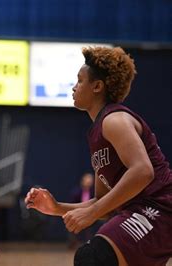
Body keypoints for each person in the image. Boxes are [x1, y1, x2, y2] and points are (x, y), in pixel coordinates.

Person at [24, 47, 172, 266]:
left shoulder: (115, 120)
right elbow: (106, 205)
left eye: (80, 80)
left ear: (97, 86)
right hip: (140, 212)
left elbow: (143, 171)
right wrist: (56, 208)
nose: (74, 87)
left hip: (159, 210)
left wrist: (92, 213)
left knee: (93, 258)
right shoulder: (97, 133)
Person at [68, 172, 95, 249]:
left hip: (91, 214)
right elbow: (71, 205)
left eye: (90, 180)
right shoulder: (76, 192)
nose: (88, 182)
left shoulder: (94, 193)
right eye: (87, 180)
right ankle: (73, 243)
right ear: (83, 181)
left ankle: (90, 244)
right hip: (78, 213)